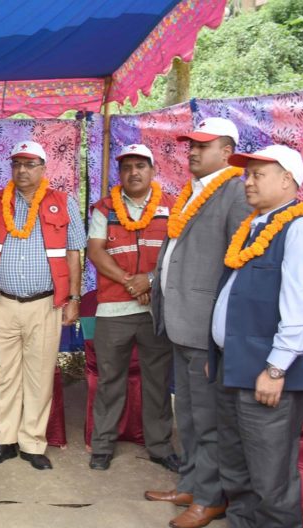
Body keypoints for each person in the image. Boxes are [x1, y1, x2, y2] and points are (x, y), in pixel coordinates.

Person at [199, 145, 303, 528]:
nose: (248, 181)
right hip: (233, 366)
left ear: (287, 180)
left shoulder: (301, 229)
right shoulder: (253, 225)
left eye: (258, 174)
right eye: (247, 174)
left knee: (272, 476)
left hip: (267, 375)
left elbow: (301, 308)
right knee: (235, 465)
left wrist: (275, 369)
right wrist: (218, 352)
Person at [145, 117, 251, 528]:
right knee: (187, 414)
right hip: (180, 323)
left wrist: (223, 330)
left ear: (227, 152)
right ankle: (190, 483)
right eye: (191, 144)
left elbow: (239, 265)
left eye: (203, 145)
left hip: (206, 327)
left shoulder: (235, 193)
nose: (192, 151)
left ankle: (210, 497)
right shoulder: (193, 190)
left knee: (207, 418)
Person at [0, 141, 84, 471]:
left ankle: (32, 444)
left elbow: (74, 254)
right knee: (3, 377)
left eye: (29, 164)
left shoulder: (63, 202)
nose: (22, 170)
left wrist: (74, 299)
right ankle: (3, 442)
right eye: (16, 164)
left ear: (43, 168)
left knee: (39, 377)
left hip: (45, 305)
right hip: (1, 303)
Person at [86, 145, 177, 472]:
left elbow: (177, 254)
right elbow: (96, 252)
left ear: (152, 170)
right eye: (127, 167)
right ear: (120, 173)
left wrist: (149, 281)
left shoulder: (173, 207)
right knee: (109, 381)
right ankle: (102, 446)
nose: (133, 172)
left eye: (140, 166)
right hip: (114, 309)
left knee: (158, 381)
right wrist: (130, 282)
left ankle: (160, 446)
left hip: (156, 310)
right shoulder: (104, 208)